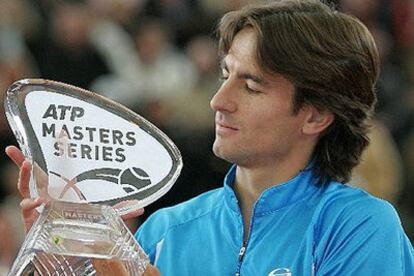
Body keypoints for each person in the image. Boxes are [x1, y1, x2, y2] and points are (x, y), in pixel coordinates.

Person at [6, 0, 414, 275]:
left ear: (316, 114)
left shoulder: (359, 227)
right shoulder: (165, 230)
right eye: (224, 76)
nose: (220, 100)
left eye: (251, 86)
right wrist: (61, 255)